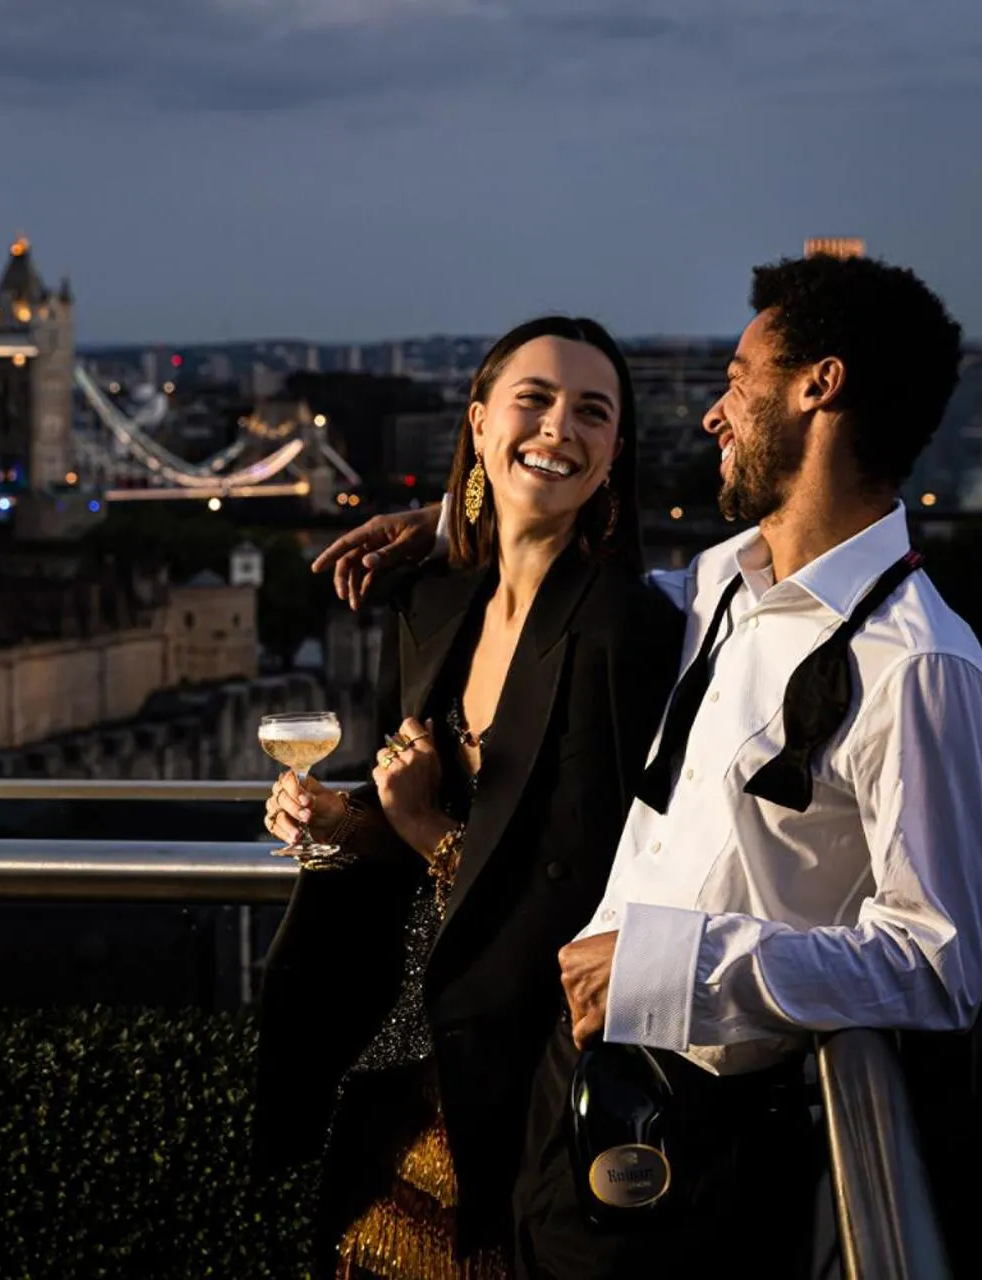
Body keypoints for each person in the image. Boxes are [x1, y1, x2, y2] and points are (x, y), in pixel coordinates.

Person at [315, 254, 982, 1278]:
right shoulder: (722, 584)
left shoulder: (919, 666)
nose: (712, 416)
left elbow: (937, 962)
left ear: (818, 386)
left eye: (736, 377)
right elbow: (558, 569)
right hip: (575, 1086)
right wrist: (456, 512)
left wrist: (675, 964)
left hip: (706, 1143)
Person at [254, 316, 685, 1279]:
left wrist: (416, 823)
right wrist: (341, 822)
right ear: (481, 423)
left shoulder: (622, 629)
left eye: (593, 413)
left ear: (615, 455)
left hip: (512, 1072)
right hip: (394, 1044)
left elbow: (586, 887)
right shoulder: (430, 605)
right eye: (533, 400)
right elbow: (402, 830)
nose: (559, 429)